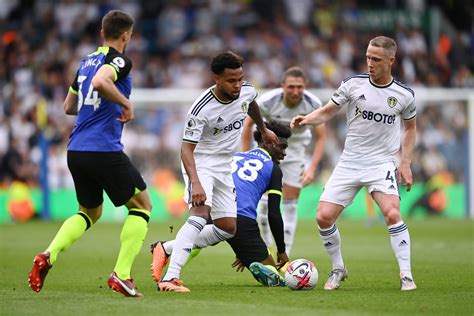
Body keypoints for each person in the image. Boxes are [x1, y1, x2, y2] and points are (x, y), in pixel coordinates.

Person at [28, 10, 151, 298]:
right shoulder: (119, 59)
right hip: (103, 149)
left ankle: (48, 255)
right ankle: (121, 275)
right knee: (142, 206)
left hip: (77, 149)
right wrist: (125, 103)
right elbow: (100, 83)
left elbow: (69, 106)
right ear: (126, 36)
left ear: (101, 33)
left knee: (89, 212)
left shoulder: (85, 61)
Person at [291, 36, 417, 291]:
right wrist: (307, 119)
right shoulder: (352, 84)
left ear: (391, 61)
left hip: (381, 162)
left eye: (376, 59)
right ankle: (338, 268)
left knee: (392, 212)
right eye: (368, 57)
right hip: (349, 162)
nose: (370, 63)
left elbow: (410, 128)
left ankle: (406, 275)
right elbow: (327, 111)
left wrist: (405, 163)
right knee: (323, 217)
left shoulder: (404, 95)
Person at [151, 51, 279, 292]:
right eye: (231, 80)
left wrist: (263, 129)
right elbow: (186, 150)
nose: (238, 85)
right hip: (201, 163)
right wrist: (196, 183)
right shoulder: (201, 109)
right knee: (200, 213)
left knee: (228, 227)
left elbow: (250, 103)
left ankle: (165, 248)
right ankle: (171, 277)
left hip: (225, 164)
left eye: (240, 78)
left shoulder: (247, 90)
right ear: (216, 79)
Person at [151, 121, 291, 287]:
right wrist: (281, 250)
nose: (284, 153)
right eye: (281, 147)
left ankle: (168, 258)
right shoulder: (273, 169)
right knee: (274, 278)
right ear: (267, 142)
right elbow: (274, 214)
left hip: (216, 208)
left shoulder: (236, 156)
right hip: (241, 219)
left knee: (202, 234)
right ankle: (167, 249)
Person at [241, 66, 326, 256]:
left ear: (305, 86)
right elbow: (247, 126)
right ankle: (267, 248)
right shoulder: (267, 101)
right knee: (262, 206)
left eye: (299, 87)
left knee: (290, 203)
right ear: (282, 86)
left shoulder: (313, 103)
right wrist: (245, 156)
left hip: (295, 151)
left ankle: (285, 254)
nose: (295, 91)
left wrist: (312, 168)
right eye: (291, 87)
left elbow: (321, 137)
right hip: (268, 150)